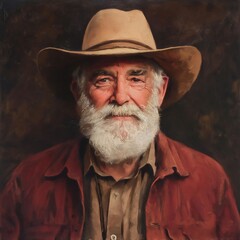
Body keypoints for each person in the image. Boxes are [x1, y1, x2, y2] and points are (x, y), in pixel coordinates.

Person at [0, 8, 239, 240]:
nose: (120, 97)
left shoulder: (208, 180)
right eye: (103, 80)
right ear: (78, 91)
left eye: (136, 79)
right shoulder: (29, 180)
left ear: (160, 90)